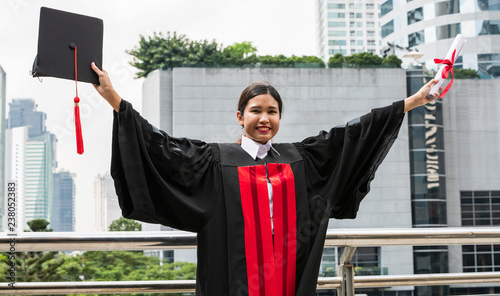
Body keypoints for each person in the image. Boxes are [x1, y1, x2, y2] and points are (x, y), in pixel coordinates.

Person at [92, 62, 441, 296]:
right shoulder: (213, 161)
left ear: (279, 118)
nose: (264, 118)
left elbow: (353, 135)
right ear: (240, 116)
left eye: (271, 112)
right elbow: (160, 147)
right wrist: (114, 98)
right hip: (234, 281)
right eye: (256, 111)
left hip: (289, 278)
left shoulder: (300, 158)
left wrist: (414, 101)